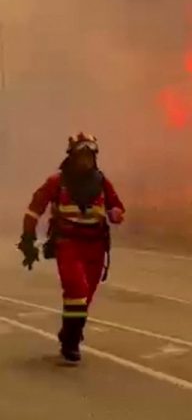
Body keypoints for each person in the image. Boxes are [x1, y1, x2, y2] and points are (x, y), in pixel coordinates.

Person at [17, 132, 125, 363]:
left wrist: (116, 213)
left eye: (90, 155)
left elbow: (116, 205)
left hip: (96, 246)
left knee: (85, 297)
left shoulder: (102, 181)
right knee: (77, 289)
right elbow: (34, 208)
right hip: (68, 243)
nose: (86, 160)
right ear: (72, 156)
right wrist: (28, 239)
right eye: (81, 155)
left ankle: (70, 332)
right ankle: (72, 342)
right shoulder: (57, 182)